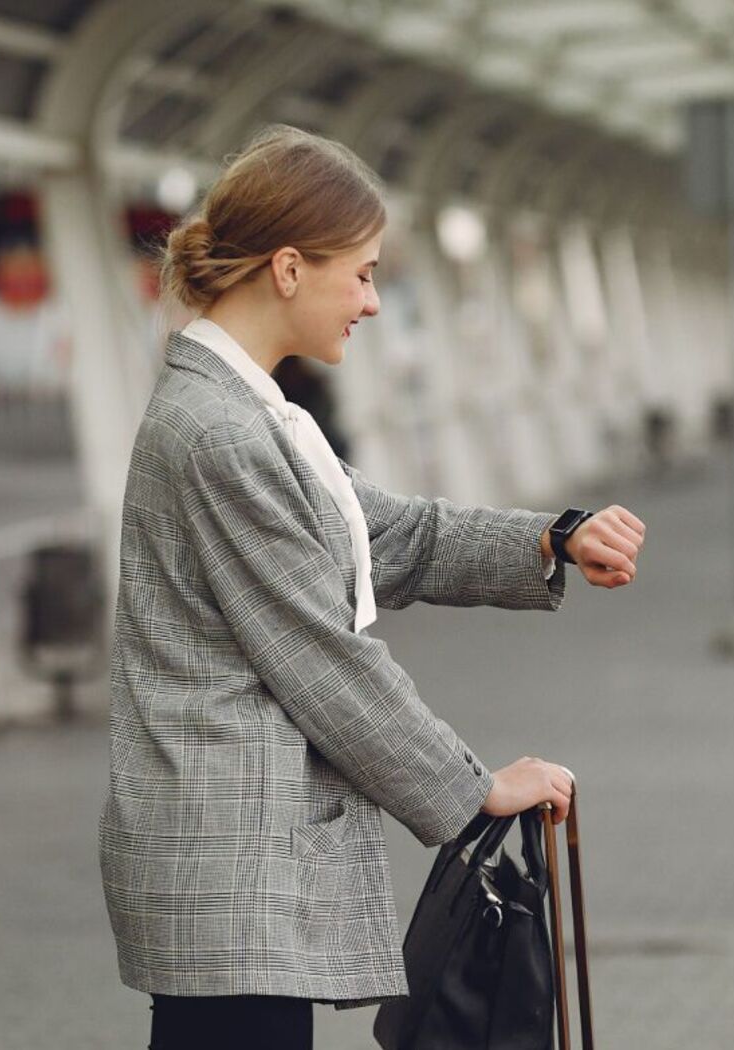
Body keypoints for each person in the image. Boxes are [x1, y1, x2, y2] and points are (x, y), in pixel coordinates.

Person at [99, 124, 648, 1050]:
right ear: (286, 269)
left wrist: (552, 540)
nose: (373, 301)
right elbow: (318, 655)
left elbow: (388, 534)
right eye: (360, 273)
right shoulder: (224, 434)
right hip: (234, 871)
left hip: (242, 875)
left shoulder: (253, 413)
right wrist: (472, 788)